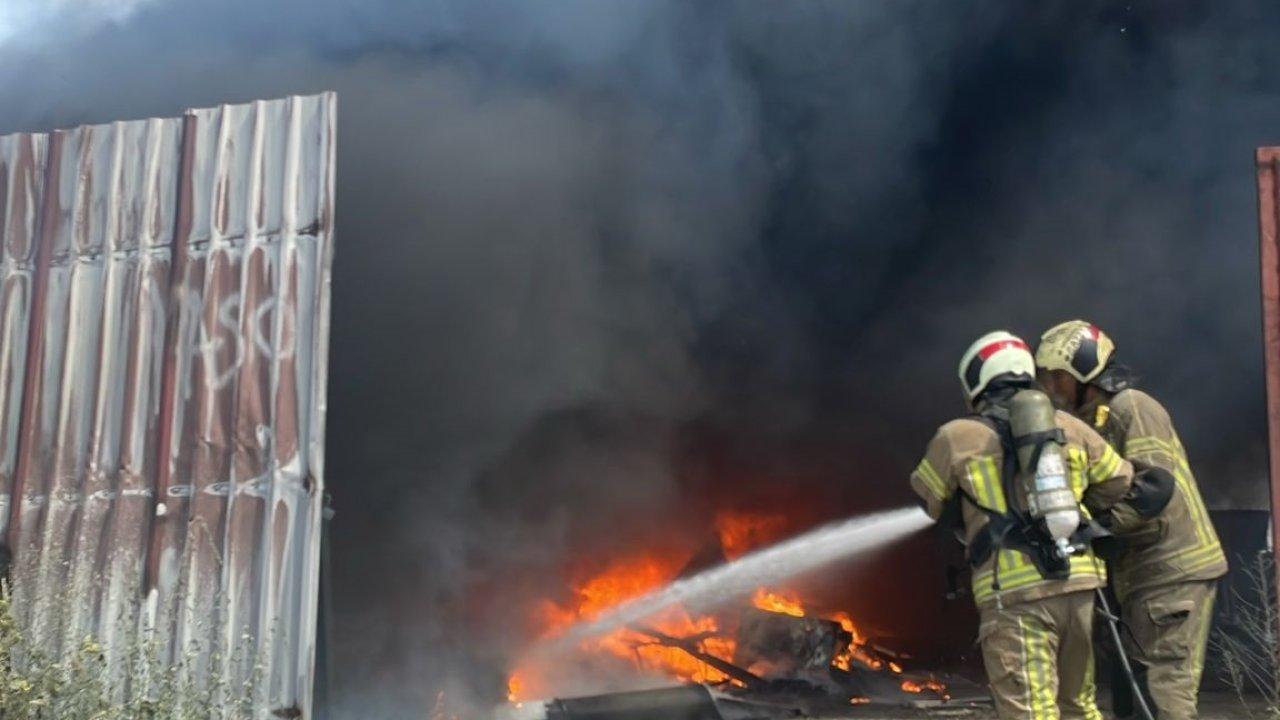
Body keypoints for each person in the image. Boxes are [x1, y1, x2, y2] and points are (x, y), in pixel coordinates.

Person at [910, 330, 1133, 720]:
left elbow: (926, 501)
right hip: (1079, 587)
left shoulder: (957, 436)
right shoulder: (1070, 426)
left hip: (1015, 598)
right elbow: (1121, 480)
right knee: (1079, 705)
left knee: (1030, 712)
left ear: (976, 379)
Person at [1035, 320, 1227, 720]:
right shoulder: (1093, 423)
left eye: (1058, 377)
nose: (1051, 388)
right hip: (1142, 577)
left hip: (1170, 574)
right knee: (1133, 698)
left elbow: (1154, 486)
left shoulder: (1132, 406)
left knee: (1163, 695)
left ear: (1086, 373)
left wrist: (1100, 528)